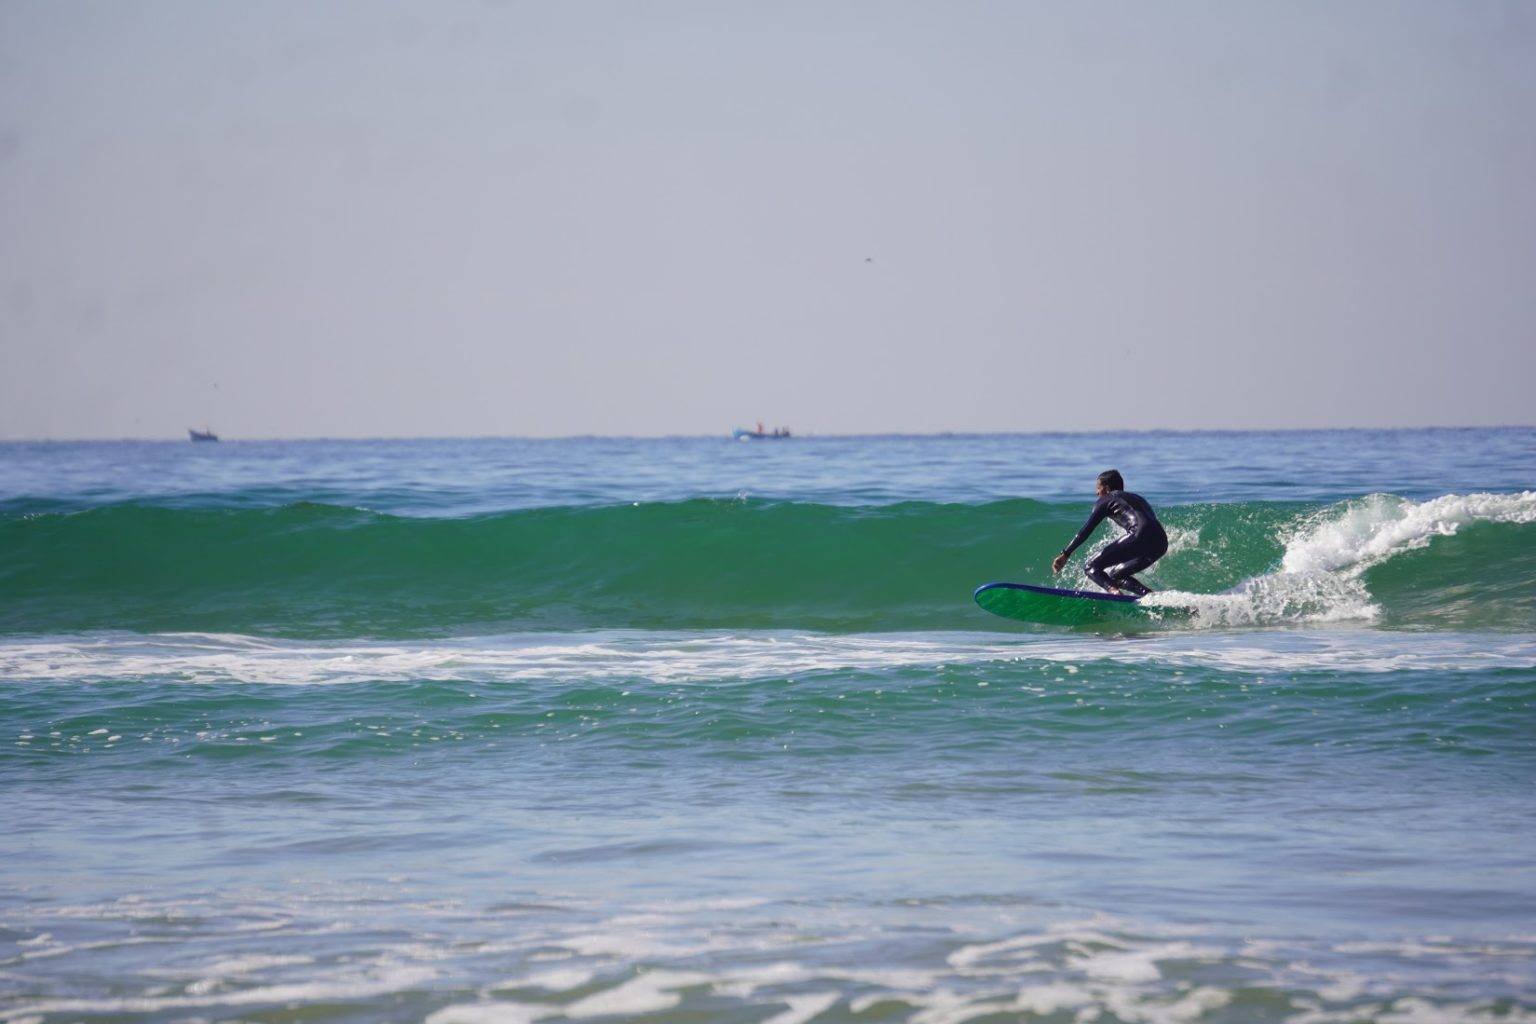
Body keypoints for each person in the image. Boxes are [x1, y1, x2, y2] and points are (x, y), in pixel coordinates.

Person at [1050, 469, 1167, 597]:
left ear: (1106, 488)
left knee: (1090, 566)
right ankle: (1150, 597)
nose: (1096, 493)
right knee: (1115, 576)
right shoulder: (1138, 498)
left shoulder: (1106, 499)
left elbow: (1086, 530)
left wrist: (1065, 554)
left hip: (1139, 534)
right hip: (1160, 542)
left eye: (1098, 489)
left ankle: (1115, 593)